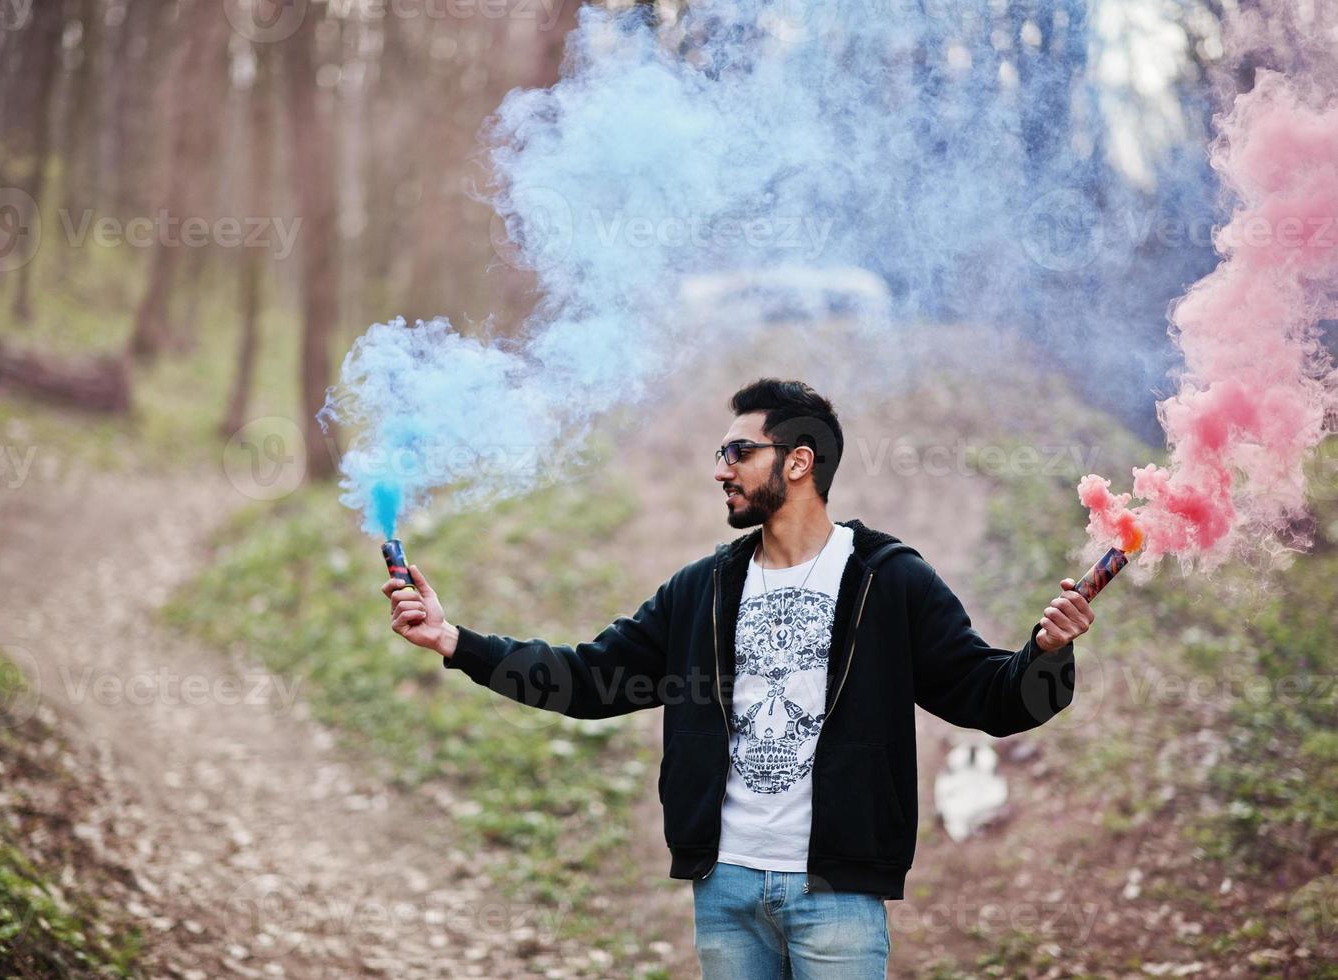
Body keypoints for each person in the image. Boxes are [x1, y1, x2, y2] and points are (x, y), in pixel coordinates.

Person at [381, 378, 1092, 979]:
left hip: (836, 897)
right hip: (725, 889)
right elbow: (591, 679)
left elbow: (988, 696)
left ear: (797, 463)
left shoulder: (888, 580)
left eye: (738, 451)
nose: (720, 468)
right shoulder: (704, 589)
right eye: (720, 453)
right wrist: (456, 641)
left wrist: (1045, 655)